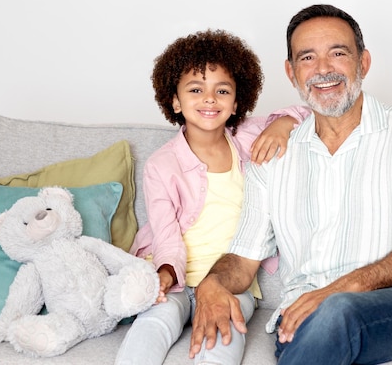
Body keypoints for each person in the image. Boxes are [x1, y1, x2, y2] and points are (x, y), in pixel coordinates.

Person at [189, 5, 392, 365]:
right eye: (308, 57)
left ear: (363, 63)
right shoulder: (272, 158)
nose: (323, 69)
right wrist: (212, 284)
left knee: (338, 310)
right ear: (291, 73)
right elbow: (243, 259)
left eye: (338, 53)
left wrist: (341, 289)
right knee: (324, 317)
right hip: (303, 317)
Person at [114, 29, 309, 365]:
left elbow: (313, 112)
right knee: (153, 324)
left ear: (236, 102)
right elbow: (166, 234)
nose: (209, 99)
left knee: (223, 336)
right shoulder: (162, 164)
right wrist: (165, 275)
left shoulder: (248, 138)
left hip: (233, 284)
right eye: (195, 89)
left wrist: (284, 123)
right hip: (172, 276)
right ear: (175, 101)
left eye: (222, 90)